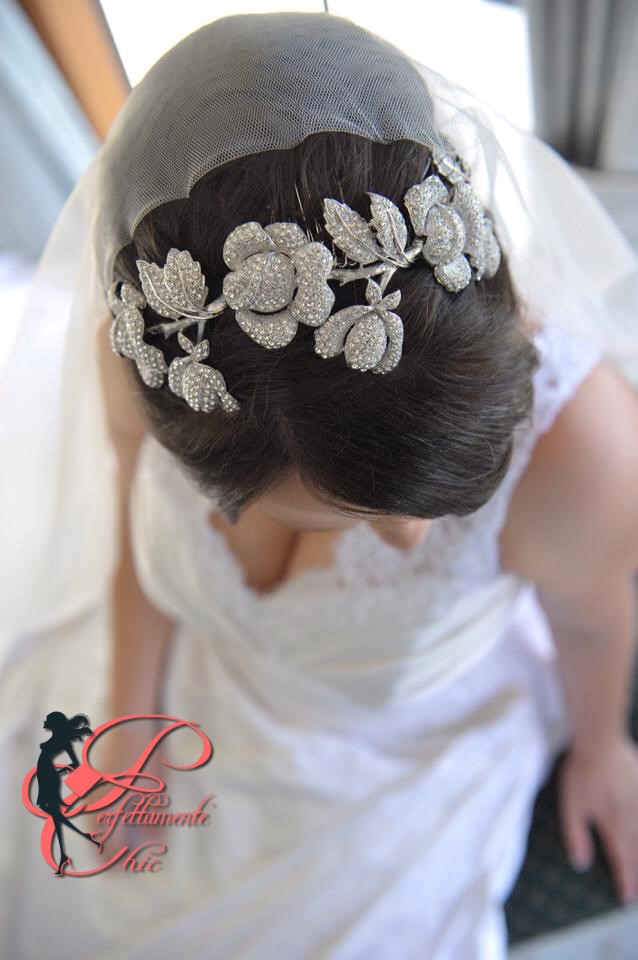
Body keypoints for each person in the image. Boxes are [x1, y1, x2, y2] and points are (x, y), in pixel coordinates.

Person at [2, 11, 638, 959]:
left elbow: (593, 618)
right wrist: (132, 718)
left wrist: (602, 745)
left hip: (393, 765)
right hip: (197, 697)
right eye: (354, 514)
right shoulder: (161, 361)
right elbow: (136, 559)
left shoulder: (582, 450)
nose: (412, 536)